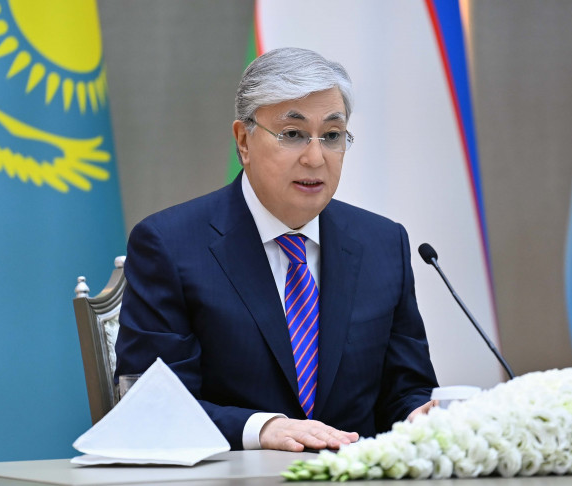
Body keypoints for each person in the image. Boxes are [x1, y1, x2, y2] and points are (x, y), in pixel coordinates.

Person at [115, 47, 439, 452]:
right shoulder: (170, 245)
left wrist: (418, 415)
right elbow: (152, 404)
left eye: (332, 136)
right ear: (243, 141)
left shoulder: (383, 243)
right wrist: (260, 429)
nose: (315, 158)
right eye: (293, 134)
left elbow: (405, 388)